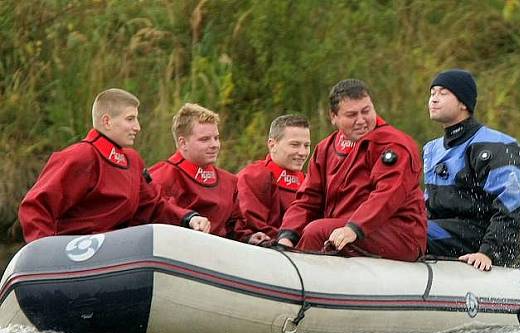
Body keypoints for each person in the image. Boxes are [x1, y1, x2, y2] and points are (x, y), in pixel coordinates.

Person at [18, 89, 210, 243]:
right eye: (130, 119)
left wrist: (189, 218)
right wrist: (46, 255)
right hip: (76, 255)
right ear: (107, 121)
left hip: (115, 256)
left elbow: (153, 205)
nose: (137, 127)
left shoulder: (132, 161)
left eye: (136, 118)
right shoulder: (81, 156)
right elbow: (35, 206)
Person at [276, 79, 426, 262]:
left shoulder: (393, 145)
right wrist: (287, 235)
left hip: (398, 233)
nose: (361, 121)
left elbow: (387, 195)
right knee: (306, 232)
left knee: (317, 232)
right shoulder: (325, 149)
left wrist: (354, 228)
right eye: (352, 115)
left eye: (366, 111)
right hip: (346, 229)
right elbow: (308, 200)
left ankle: (299, 284)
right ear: (334, 117)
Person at [423, 69, 520, 271]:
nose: (434, 99)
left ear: (464, 103)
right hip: (442, 231)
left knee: (410, 232)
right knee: (399, 227)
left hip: (480, 237)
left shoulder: (496, 145)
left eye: (443, 93)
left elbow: (512, 205)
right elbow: (429, 206)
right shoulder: (432, 149)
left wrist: (488, 251)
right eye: (432, 93)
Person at [148, 103, 247, 241]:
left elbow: (236, 228)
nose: (214, 145)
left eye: (216, 138)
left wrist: (250, 237)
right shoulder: (160, 178)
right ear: (183, 143)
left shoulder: (229, 182)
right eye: (204, 139)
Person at [236, 114, 311, 245]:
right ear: (272, 145)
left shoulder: (309, 182)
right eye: (295, 145)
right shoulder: (253, 177)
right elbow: (251, 226)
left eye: (306, 145)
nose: (302, 152)